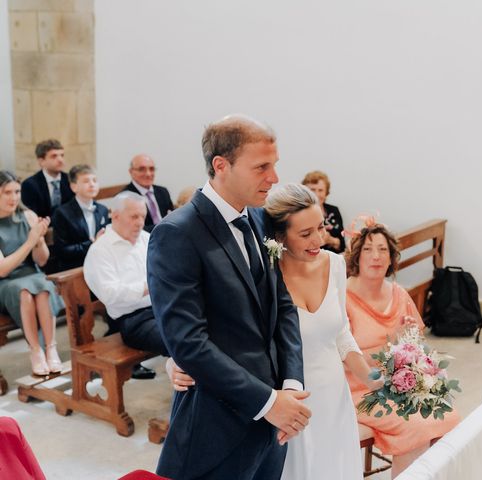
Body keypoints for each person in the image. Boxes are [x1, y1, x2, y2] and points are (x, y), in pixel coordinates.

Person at [147, 116, 310, 480]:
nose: (274, 178)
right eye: (261, 167)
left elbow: (282, 307)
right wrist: (267, 403)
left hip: (274, 425)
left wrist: (291, 387)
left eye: (275, 164)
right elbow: (188, 343)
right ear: (221, 166)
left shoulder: (256, 218)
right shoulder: (177, 234)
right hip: (216, 426)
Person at [266, 183, 382, 479]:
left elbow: (341, 334)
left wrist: (371, 379)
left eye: (320, 227)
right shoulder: (266, 275)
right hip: (292, 402)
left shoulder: (334, 264)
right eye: (305, 234)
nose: (318, 239)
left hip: (333, 395)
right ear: (280, 236)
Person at [344, 220, 461, 478]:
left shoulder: (398, 293)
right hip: (358, 388)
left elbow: (418, 345)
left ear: (391, 258)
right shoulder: (342, 298)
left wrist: (408, 342)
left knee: (449, 419)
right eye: (368, 249)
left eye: (383, 250)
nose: (376, 256)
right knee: (416, 428)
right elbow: (341, 360)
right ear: (356, 256)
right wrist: (390, 345)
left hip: (399, 383)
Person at [83, 191, 168, 380]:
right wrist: (150, 285)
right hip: (134, 321)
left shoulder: (146, 239)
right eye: (134, 217)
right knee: (181, 339)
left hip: (162, 308)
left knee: (206, 326)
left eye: (143, 217)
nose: (139, 222)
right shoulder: (100, 250)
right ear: (115, 215)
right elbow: (110, 294)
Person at [0, 171, 64, 376]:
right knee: (25, 292)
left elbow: (42, 260)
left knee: (44, 288)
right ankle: (35, 350)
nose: (13, 197)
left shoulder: (27, 215)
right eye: (6, 192)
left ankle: (51, 348)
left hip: (33, 274)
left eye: (17, 191)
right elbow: (3, 269)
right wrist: (30, 240)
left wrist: (39, 240)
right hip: (7, 281)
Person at [52, 165, 110, 271]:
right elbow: (62, 251)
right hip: (75, 266)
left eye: (95, 180)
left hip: (101, 263)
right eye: (86, 181)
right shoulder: (62, 213)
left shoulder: (103, 210)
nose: (92, 184)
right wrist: (91, 244)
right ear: (74, 187)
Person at [21, 139, 73, 218]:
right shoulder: (29, 185)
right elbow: (32, 216)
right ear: (41, 161)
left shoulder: (71, 180)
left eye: (62, 155)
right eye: (54, 156)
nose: (60, 160)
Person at [122, 154, 174, 232]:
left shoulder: (163, 192)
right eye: (141, 169)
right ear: (131, 172)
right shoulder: (125, 197)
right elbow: (131, 229)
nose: (148, 174)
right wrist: (164, 227)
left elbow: (172, 217)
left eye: (151, 169)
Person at [302, 171, 345, 253]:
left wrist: (330, 240)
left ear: (326, 193)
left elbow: (342, 245)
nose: (316, 194)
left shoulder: (334, 211)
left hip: (332, 260)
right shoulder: (298, 213)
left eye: (320, 190)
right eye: (312, 190)